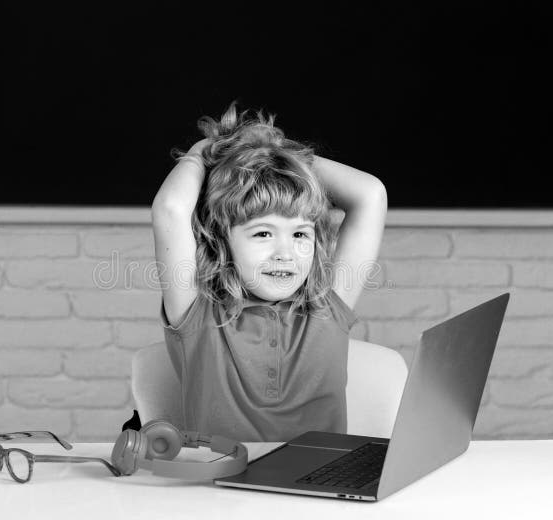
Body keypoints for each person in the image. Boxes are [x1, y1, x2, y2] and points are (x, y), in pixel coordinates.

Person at [151, 101, 387, 442]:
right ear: (223, 241)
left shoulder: (327, 308)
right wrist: (207, 153)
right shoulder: (197, 315)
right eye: (263, 233)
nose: (285, 253)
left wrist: (272, 153)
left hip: (315, 486)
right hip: (218, 486)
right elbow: (171, 209)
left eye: (300, 234)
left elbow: (371, 194)